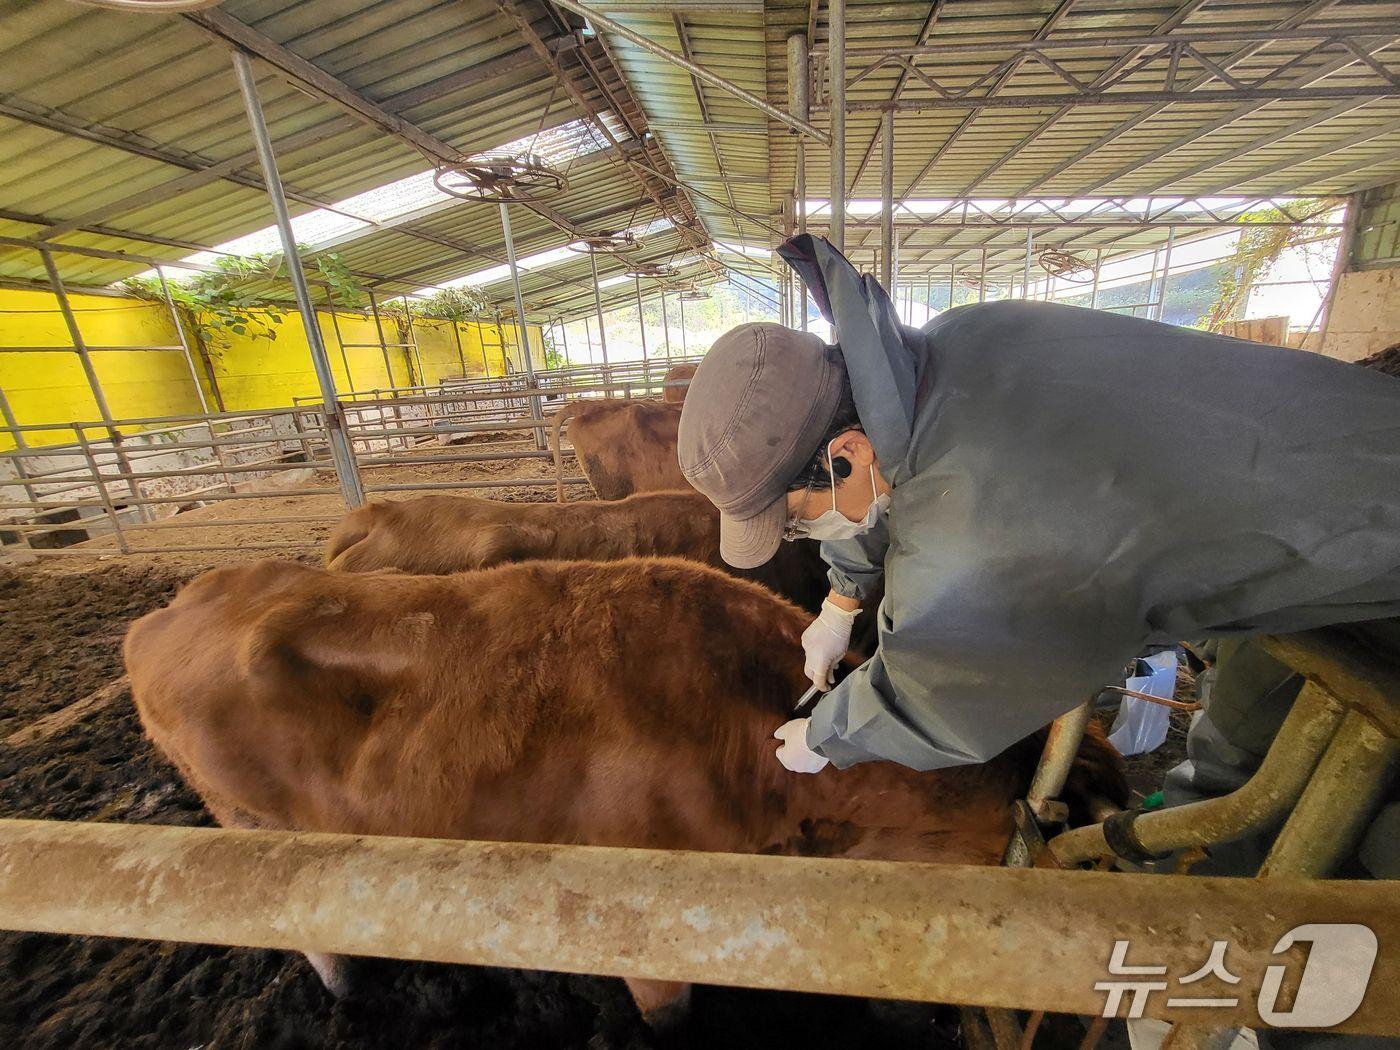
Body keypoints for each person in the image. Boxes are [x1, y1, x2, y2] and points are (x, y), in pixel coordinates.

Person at [676, 235, 1400, 774]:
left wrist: (828, 736)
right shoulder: (958, 342)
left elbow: (945, 689)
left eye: (798, 515)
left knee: (1314, 795)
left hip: (1362, 537)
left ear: (847, 453)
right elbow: (913, 460)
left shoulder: (980, 534)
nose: (805, 530)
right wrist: (841, 599)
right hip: (1347, 429)